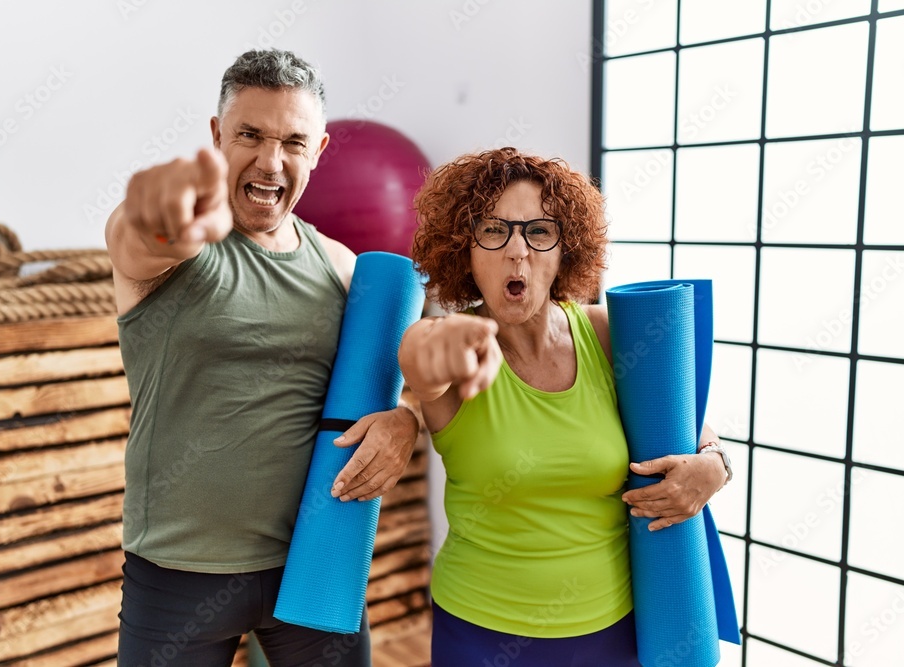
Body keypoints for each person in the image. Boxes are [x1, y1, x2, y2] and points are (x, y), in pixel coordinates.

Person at [105, 49, 420, 666]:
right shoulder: (181, 244)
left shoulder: (341, 267)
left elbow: (406, 375)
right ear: (217, 134)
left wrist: (405, 418)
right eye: (250, 134)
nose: (270, 162)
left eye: (293, 142)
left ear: (319, 150)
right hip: (177, 571)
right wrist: (152, 214)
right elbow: (134, 236)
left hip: (313, 561)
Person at [397, 147, 732, 666]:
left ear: (565, 250)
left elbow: (688, 426)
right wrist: (434, 342)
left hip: (614, 627)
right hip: (481, 632)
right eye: (493, 230)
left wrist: (714, 464)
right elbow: (421, 358)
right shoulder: (453, 348)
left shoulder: (606, 335)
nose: (517, 252)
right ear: (464, 250)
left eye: (538, 232)